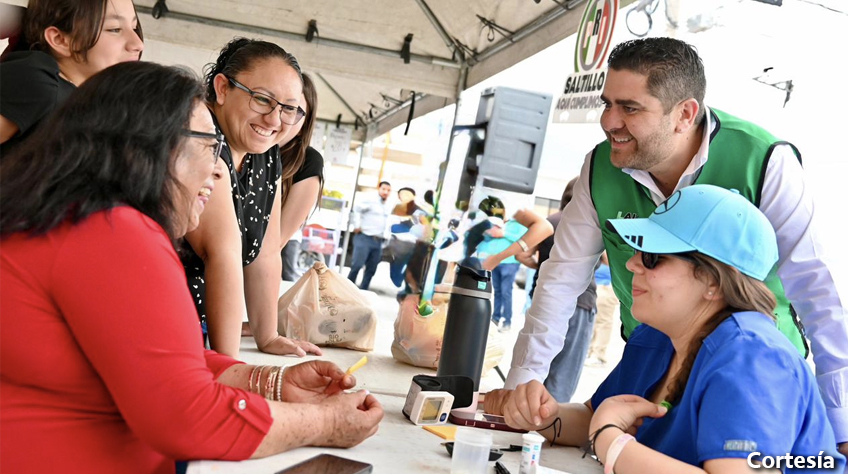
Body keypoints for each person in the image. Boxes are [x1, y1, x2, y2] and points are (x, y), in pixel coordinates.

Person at [0, 61, 383, 474]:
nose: (219, 168)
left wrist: (270, 382)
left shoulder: (79, 219)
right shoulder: (113, 231)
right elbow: (186, 416)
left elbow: (158, 359)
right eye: (208, 146)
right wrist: (326, 423)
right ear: (146, 146)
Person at [504, 37, 848, 456]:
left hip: (753, 371)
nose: (609, 121)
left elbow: (815, 290)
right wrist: (523, 389)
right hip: (661, 351)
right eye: (606, 103)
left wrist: (841, 424)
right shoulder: (650, 341)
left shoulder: (763, 160)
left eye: (630, 108)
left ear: (685, 113)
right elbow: (560, 280)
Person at [500, 185, 845, 474]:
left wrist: (611, 441)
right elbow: (597, 414)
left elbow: (607, 427)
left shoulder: (754, 356)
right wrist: (544, 416)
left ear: (712, 280)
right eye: (637, 250)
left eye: (653, 257)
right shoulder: (655, 337)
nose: (632, 263)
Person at [181, 38, 320, 357]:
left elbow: (266, 254)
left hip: (198, 328)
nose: (274, 120)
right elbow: (222, 253)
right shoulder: (203, 139)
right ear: (222, 88)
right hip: (159, 315)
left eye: (288, 108)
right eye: (262, 99)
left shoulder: (266, 156)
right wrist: (230, 365)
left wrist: (267, 336)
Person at [0, 0, 144, 156]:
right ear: (59, 39)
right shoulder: (39, 83)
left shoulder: (93, 99)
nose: (137, 44)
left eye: (134, 27)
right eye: (114, 29)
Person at [514, 177, 598, 401]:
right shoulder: (591, 225)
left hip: (544, 297)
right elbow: (610, 260)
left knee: (533, 366)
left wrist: (543, 267)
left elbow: (522, 255)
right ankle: (550, 418)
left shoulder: (550, 221)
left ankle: (523, 413)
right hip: (580, 301)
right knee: (563, 375)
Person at [476, 197, 554, 332]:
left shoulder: (519, 222)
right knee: (497, 291)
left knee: (506, 292)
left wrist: (504, 233)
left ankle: (507, 321)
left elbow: (526, 239)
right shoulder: (496, 221)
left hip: (509, 262)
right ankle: (495, 318)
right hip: (494, 262)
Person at [279, 72, 324, 282]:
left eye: (293, 110)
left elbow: (277, 241)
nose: (278, 116)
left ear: (305, 122)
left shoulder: (307, 161)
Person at [348, 181, 393, 290]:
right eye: (383, 189)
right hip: (365, 237)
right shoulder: (370, 200)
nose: (385, 192)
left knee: (371, 269)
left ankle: (363, 293)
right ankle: (346, 290)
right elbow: (356, 209)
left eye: (388, 190)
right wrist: (357, 225)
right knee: (357, 265)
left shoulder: (388, 205)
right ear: (379, 189)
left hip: (378, 240)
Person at [585, 252, 619, 367]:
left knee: (603, 321)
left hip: (606, 284)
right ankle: (591, 352)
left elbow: (610, 260)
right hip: (595, 283)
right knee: (593, 321)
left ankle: (598, 355)